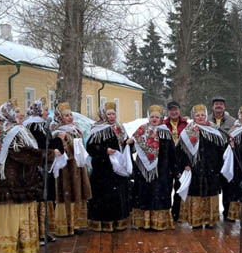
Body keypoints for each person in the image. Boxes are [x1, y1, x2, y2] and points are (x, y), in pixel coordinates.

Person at [0, 101, 60, 253]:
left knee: (16, 217)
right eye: (17, 113)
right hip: (15, 181)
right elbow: (22, 153)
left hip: (14, 180)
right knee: (15, 217)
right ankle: (9, 251)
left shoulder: (4, 129)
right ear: (10, 115)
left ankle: (16, 249)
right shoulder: (10, 132)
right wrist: (47, 155)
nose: (21, 115)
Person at [177, 104, 226, 228]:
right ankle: (196, 220)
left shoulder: (215, 129)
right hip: (195, 169)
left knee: (210, 193)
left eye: (202, 115)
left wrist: (219, 166)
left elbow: (221, 150)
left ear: (206, 116)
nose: (200, 117)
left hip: (212, 168)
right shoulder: (187, 131)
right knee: (196, 194)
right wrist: (185, 165)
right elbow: (180, 152)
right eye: (197, 115)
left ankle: (210, 220)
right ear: (193, 117)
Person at [86, 101, 132, 231]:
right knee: (104, 196)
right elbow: (90, 147)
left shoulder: (119, 128)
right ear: (103, 115)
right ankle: (103, 222)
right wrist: (104, 151)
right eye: (109, 114)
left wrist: (129, 143)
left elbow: (123, 144)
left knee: (118, 195)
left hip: (118, 169)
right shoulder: (97, 129)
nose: (112, 116)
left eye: (113, 114)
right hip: (103, 169)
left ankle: (118, 221)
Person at [131, 105, 178, 230]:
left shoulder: (165, 132)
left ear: (161, 118)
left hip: (162, 170)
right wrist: (130, 143)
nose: (154, 119)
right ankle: (144, 222)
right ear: (148, 117)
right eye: (152, 116)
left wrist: (174, 169)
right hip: (143, 170)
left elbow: (172, 153)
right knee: (144, 194)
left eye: (157, 117)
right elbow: (132, 148)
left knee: (159, 194)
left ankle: (158, 223)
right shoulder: (141, 130)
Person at [50, 102, 92, 236]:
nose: (70, 118)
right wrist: (67, 141)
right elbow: (62, 150)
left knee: (77, 193)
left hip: (77, 166)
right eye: (66, 116)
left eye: (70, 115)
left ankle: (76, 224)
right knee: (66, 194)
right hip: (66, 168)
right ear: (60, 117)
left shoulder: (75, 128)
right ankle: (65, 226)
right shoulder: (57, 131)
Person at [24, 97, 57, 244]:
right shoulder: (34, 126)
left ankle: (45, 231)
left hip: (45, 165)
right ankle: (39, 232)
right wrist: (52, 147)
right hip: (39, 166)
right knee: (41, 197)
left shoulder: (41, 125)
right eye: (44, 109)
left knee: (46, 197)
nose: (47, 113)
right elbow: (41, 144)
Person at [163, 101, 188, 221]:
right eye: (171, 110)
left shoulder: (186, 125)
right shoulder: (163, 125)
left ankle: (176, 213)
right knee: (166, 188)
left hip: (181, 159)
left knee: (179, 187)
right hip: (167, 160)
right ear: (168, 112)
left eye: (176, 109)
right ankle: (165, 212)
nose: (174, 112)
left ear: (179, 111)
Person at [211, 96, 235, 219]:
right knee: (213, 186)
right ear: (212, 107)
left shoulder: (232, 121)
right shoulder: (207, 120)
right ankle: (212, 214)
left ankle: (227, 213)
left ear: (224, 107)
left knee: (228, 186)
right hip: (211, 158)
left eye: (221, 104)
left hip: (226, 158)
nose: (218, 106)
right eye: (216, 104)